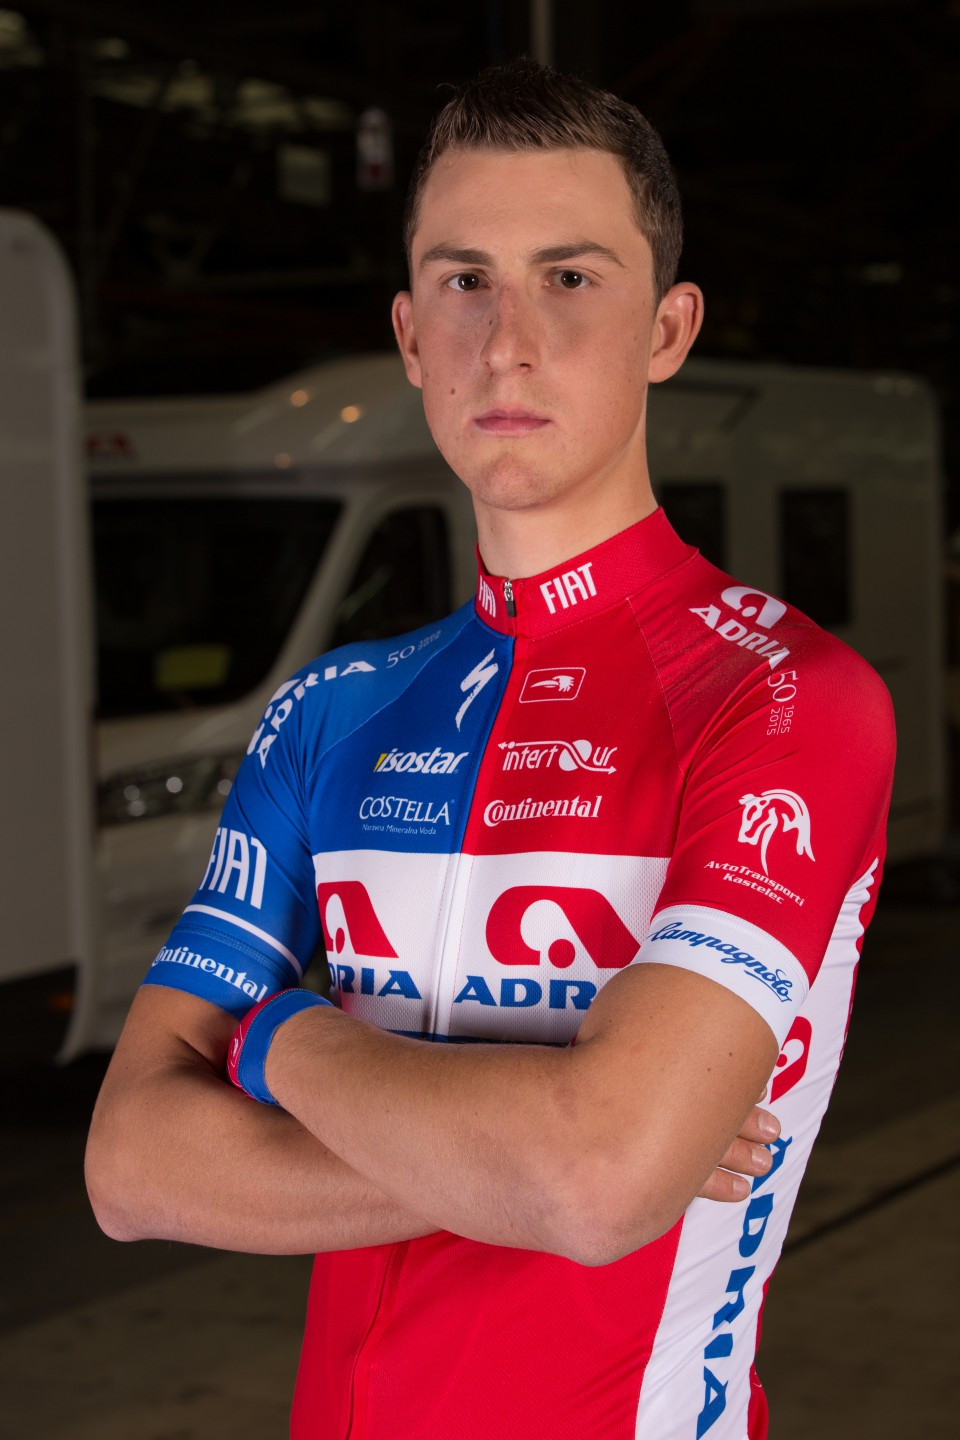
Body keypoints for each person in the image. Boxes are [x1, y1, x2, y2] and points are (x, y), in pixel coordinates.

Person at [86, 58, 895, 1440]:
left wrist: (278, 1039)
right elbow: (130, 1166)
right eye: (464, 280)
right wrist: (537, 1156)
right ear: (410, 334)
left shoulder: (783, 697)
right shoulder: (329, 710)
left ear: (669, 327)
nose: (505, 341)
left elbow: (595, 1181)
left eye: (569, 277)